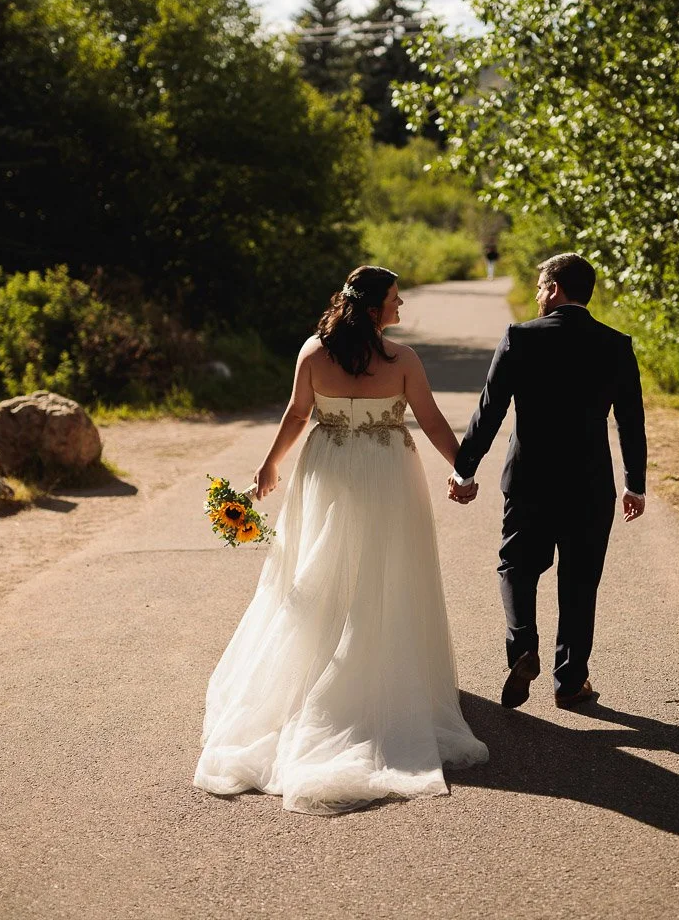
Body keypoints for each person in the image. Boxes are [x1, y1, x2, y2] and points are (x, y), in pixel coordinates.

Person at [194, 265, 488, 814]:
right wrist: (463, 470)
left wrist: (269, 466)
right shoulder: (402, 360)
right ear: (376, 308)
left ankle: (322, 671)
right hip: (387, 473)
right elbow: (431, 420)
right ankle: (374, 675)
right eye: (396, 300)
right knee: (386, 569)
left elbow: (297, 415)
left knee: (317, 571)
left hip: (327, 467)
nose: (401, 308)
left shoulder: (313, 352)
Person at [448, 252, 647, 710]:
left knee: (516, 567)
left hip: (529, 481)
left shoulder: (521, 337)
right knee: (580, 582)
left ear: (554, 289)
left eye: (540, 287)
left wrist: (465, 469)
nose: (538, 295)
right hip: (590, 485)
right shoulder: (616, 345)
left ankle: (524, 650)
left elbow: (490, 409)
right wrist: (634, 483)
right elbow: (631, 421)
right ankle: (570, 682)